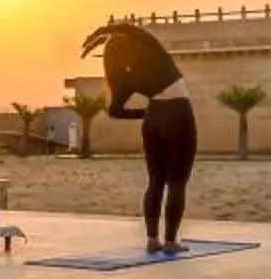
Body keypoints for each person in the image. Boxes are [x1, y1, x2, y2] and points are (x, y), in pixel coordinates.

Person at [80, 21, 195, 255]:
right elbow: (134, 29)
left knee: (155, 182)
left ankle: (152, 240)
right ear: (135, 43)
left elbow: (114, 111)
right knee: (176, 183)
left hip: (153, 120)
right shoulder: (153, 52)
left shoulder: (126, 77)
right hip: (179, 113)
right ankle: (171, 242)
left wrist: (147, 114)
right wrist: (102, 30)